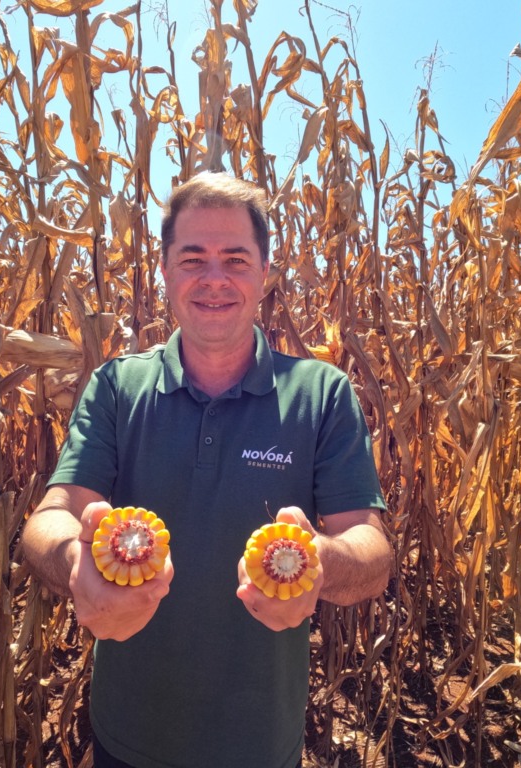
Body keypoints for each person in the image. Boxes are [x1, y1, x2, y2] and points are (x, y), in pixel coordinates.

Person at [22, 172, 392, 768]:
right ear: (164, 271)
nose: (214, 279)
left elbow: (372, 550)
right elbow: (52, 517)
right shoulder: (117, 387)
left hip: (258, 743)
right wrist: (74, 563)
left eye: (236, 260)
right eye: (192, 259)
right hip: (127, 735)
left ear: (265, 273)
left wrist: (321, 563)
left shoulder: (321, 394)